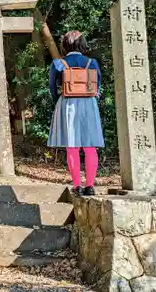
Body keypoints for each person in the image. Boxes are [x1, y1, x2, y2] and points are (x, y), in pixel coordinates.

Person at [48, 31, 104, 196]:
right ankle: (90, 185)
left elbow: (52, 87)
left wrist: (58, 101)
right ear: (82, 44)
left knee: (72, 146)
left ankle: (77, 185)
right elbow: (98, 84)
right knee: (90, 146)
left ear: (64, 45)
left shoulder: (58, 63)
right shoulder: (91, 62)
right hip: (88, 103)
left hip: (67, 103)